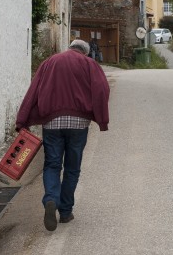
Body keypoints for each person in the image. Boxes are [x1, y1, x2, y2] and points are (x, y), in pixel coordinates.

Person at [15, 39, 110, 231]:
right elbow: (101, 90)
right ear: (85, 52)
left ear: (70, 48)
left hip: (52, 122)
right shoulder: (90, 64)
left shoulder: (50, 62)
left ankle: (51, 199)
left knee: (52, 164)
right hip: (78, 124)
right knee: (72, 168)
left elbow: (33, 90)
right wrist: (101, 119)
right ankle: (65, 212)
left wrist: (22, 119)